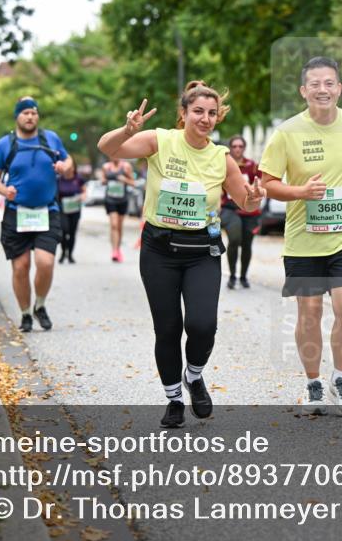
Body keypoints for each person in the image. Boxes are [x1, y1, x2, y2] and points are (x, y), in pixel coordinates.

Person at [97, 80, 265, 429]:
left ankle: (195, 374)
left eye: (212, 113)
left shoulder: (222, 158)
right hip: (159, 249)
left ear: (218, 118)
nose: (205, 118)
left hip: (202, 250)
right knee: (168, 328)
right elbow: (108, 149)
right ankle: (174, 398)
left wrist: (255, 196)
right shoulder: (160, 141)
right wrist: (127, 130)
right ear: (184, 114)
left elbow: (243, 202)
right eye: (198, 111)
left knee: (202, 325)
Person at [259, 56, 342, 417]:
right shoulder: (287, 132)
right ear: (304, 90)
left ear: (339, 89)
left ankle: (340, 379)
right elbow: (268, 182)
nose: (323, 90)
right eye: (315, 84)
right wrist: (300, 193)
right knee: (309, 312)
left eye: (329, 83)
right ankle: (313, 384)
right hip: (303, 238)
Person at [0, 96, 73, 333]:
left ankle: (40, 305)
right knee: (20, 267)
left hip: (48, 211)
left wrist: (65, 167)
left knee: (45, 263)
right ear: (17, 116)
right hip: (17, 212)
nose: (30, 116)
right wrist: (5, 190)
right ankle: (25, 313)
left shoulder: (51, 138)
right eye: (25, 113)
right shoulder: (6, 144)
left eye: (34, 113)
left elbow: (68, 162)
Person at [221, 135, 261, 289]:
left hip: (249, 213)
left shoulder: (252, 166)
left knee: (247, 244)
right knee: (235, 239)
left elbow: (260, 185)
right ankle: (232, 275)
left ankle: (243, 276)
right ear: (230, 148)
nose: (237, 149)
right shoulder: (225, 164)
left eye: (240, 146)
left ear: (244, 148)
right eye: (234, 146)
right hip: (230, 210)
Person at [99, 155, 135, 262]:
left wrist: (124, 179)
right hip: (110, 199)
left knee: (119, 227)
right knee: (113, 225)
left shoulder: (126, 166)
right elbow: (102, 180)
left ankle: (118, 249)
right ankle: (114, 250)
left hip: (122, 200)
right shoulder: (106, 167)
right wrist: (105, 181)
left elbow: (133, 182)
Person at [57, 164, 86, 264]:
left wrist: (82, 196)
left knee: (72, 233)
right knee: (64, 231)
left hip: (75, 209)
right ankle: (63, 252)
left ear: (74, 167)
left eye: (71, 167)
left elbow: (84, 191)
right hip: (62, 209)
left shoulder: (78, 179)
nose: (69, 169)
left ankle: (70, 255)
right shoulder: (59, 179)